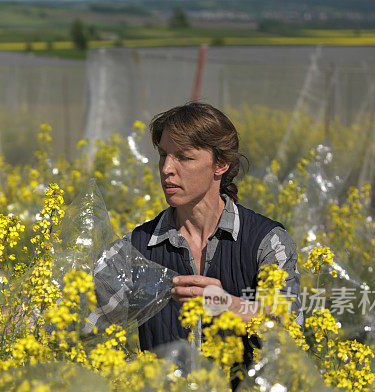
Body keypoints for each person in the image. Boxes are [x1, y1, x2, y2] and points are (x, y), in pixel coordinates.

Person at [127, 102, 302, 367]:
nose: (166, 169)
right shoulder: (137, 247)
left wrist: (228, 305)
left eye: (183, 157)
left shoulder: (267, 242)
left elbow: (290, 335)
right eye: (163, 155)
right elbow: (83, 319)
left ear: (220, 164)